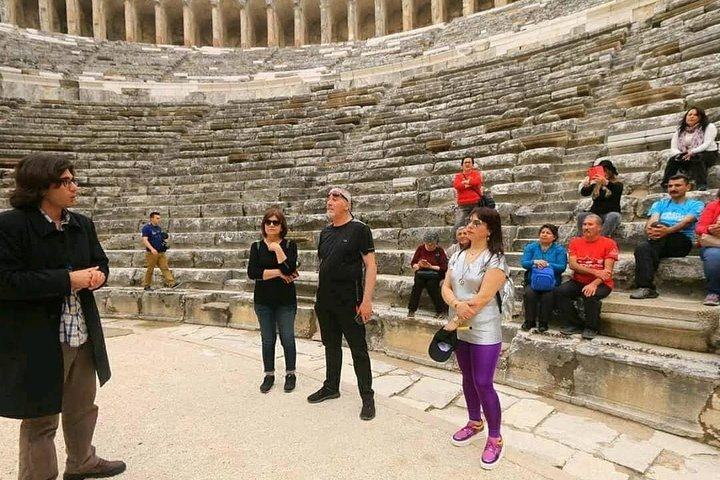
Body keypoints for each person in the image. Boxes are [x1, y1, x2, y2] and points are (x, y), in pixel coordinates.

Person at [0, 153, 126, 480]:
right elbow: (6, 281)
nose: (75, 187)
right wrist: (67, 280)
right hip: (39, 338)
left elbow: (101, 263)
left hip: (81, 333)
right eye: (66, 181)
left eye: (74, 180)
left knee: (83, 407)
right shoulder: (11, 225)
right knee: (41, 418)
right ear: (43, 186)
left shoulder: (81, 224)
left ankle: (82, 461)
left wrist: (100, 277)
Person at [441, 207, 509, 470]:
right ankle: (474, 422)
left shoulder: (495, 260)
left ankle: (495, 437)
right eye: (469, 221)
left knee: (483, 381)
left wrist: (457, 315)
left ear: (489, 230)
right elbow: (445, 286)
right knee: (467, 377)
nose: (469, 226)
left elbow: (483, 298)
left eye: (476, 223)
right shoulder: (457, 255)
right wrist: (456, 304)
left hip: (483, 328)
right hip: (460, 324)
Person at [307, 187, 378, 421]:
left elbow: (371, 266)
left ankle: (367, 398)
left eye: (335, 197)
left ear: (347, 204)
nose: (330, 201)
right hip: (326, 300)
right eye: (328, 197)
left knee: (358, 350)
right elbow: (324, 264)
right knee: (331, 345)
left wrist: (366, 301)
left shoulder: (360, 229)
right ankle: (331, 386)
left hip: (350, 301)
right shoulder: (326, 233)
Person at [247, 208, 299, 393]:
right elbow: (253, 273)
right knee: (268, 340)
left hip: (285, 301)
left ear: (281, 226)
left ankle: (290, 374)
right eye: (268, 222)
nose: (271, 225)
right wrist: (278, 272)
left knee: (288, 339)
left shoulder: (289, 245)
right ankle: (269, 375)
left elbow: (290, 268)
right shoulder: (257, 247)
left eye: (275, 222)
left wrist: (277, 248)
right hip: (263, 301)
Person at [630, 174, 704, 299]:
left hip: (681, 241)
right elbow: (653, 220)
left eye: (677, 185)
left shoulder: (696, 205)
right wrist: (650, 228)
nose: (673, 188)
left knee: (652, 239)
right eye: (670, 186)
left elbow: (687, 221)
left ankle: (647, 276)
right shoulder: (660, 204)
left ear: (688, 187)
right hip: (659, 240)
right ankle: (646, 288)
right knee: (642, 247)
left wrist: (668, 230)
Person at [557, 214, 618, 340]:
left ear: (599, 227)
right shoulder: (575, 242)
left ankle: (591, 327)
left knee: (589, 294)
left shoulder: (609, 243)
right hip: (578, 280)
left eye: (590, 224)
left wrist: (594, 283)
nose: (586, 227)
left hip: (602, 283)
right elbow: (573, 265)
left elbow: (607, 271)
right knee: (560, 291)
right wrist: (595, 272)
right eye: (584, 224)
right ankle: (575, 323)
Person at [520, 224, 568, 332]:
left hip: (552, 282)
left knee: (548, 295)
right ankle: (529, 321)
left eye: (548, 233)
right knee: (529, 293)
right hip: (533, 281)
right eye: (543, 232)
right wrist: (534, 262)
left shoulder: (559, 250)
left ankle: (543, 322)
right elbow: (524, 263)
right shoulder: (531, 247)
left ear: (554, 237)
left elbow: (562, 267)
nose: (544, 235)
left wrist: (547, 264)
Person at [661, 107, 718, 191]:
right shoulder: (680, 131)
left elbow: (706, 144)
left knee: (697, 158)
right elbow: (673, 148)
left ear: (701, 117)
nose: (692, 116)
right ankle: (666, 184)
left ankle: (701, 184)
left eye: (695, 115)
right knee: (673, 160)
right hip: (686, 154)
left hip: (708, 153)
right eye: (689, 114)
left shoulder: (709, 126)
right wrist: (681, 155)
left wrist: (692, 152)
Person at [407, 231, 448, 319]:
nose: (429, 246)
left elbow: (444, 267)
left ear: (436, 244)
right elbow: (413, 263)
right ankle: (411, 309)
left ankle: (440, 310)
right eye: (428, 244)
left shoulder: (439, 251)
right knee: (417, 285)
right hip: (422, 272)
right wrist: (418, 265)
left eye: (432, 245)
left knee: (431, 285)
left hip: (435, 274)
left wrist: (430, 266)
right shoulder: (420, 248)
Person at [577, 160, 623, 237]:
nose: (604, 173)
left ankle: (600, 239)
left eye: (606, 171)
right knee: (581, 216)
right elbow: (585, 193)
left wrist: (606, 183)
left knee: (613, 216)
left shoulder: (617, 183)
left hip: (610, 213)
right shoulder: (595, 184)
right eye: (602, 171)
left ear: (611, 172)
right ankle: (583, 238)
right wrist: (586, 185)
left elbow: (617, 190)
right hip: (595, 214)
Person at [141, 212, 180, 291]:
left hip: (161, 252)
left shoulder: (158, 228)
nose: (159, 220)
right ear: (152, 218)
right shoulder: (146, 228)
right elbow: (145, 240)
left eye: (159, 218)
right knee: (150, 269)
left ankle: (171, 283)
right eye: (157, 218)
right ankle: (146, 285)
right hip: (152, 253)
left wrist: (165, 244)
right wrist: (152, 249)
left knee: (165, 267)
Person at [696, 189, 720, 306]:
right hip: (715, 244)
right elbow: (699, 228)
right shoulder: (713, 206)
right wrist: (710, 229)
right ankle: (714, 292)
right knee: (714, 256)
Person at [452, 156, 483, 238]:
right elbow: (457, 185)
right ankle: (455, 245)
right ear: (462, 165)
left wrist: (466, 182)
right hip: (463, 205)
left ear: (473, 164)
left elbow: (477, 182)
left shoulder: (476, 174)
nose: (467, 164)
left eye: (469, 162)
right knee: (458, 225)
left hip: (476, 203)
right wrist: (469, 183)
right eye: (465, 162)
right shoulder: (458, 176)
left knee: (477, 224)